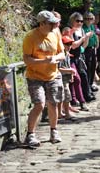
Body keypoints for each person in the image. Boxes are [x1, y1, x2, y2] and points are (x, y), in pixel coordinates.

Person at [23, 10, 65, 146]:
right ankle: (30, 135)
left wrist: (54, 58)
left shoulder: (55, 34)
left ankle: (54, 131)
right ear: (42, 23)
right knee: (39, 104)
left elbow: (62, 53)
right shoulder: (30, 37)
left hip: (53, 75)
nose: (54, 26)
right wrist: (43, 62)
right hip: (35, 76)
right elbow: (26, 59)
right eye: (51, 23)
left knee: (53, 103)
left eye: (55, 23)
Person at [69, 12, 95, 108]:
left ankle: (80, 99)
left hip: (78, 57)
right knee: (75, 78)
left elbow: (84, 45)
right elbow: (74, 45)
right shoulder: (69, 30)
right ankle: (78, 100)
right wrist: (84, 37)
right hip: (70, 58)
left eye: (81, 21)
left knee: (83, 76)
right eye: (77, 21)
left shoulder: (81, 31)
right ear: (72, 21)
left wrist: (86, 38)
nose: (80, 23)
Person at [58, 35, 77, 121]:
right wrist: (70, 71)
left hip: (66, 79)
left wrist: (71, 75)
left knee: (63, 96)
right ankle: (66, 113)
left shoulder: (67, 54)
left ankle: (60, 113)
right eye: (67, 44)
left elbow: (68, 66)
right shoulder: (60, 55)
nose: (69, 46)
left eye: (70, 44)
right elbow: (58, 69)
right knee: (66, 95)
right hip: (60, 79)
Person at [82, 12, 99, 92]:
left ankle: (91, 83)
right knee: (88, 67)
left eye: (91, 19)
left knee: (93, 66)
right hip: (86, 49)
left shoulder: (92, 27)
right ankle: (87, 85)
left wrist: (96, 45)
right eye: (87, 19)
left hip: (93, 49)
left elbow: (95, 36)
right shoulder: (83, 28)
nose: (89, 20)